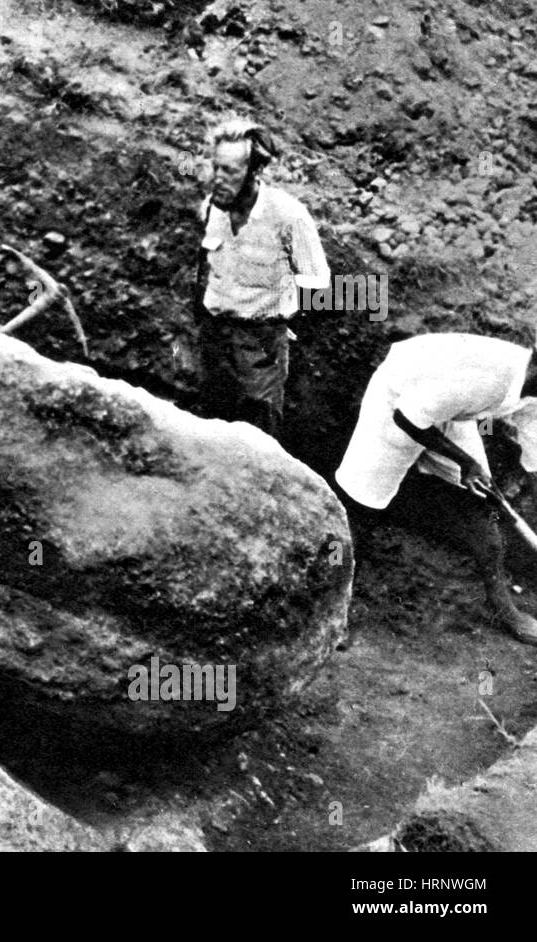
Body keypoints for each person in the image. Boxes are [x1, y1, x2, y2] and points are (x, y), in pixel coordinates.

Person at [334, 332, 537, 644]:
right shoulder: (487, 380)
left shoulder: (528, 385)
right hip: (399, 397)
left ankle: (504, 608)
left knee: (483, 500)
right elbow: (408, 419)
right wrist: (465, 462)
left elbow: (534, 449)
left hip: (452, 409)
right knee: (361, 503)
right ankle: (335, 605)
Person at [193, 118, 330, 437]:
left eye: (229, 171)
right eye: (216, 168)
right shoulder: (213, 209)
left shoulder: (288, 216)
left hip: (261, 345)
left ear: (254, 172)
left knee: (258, 436)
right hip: (215, 338)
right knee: (213, 427)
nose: (218, 179)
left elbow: (316, 283)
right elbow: (206, 265)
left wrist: (286, 330)